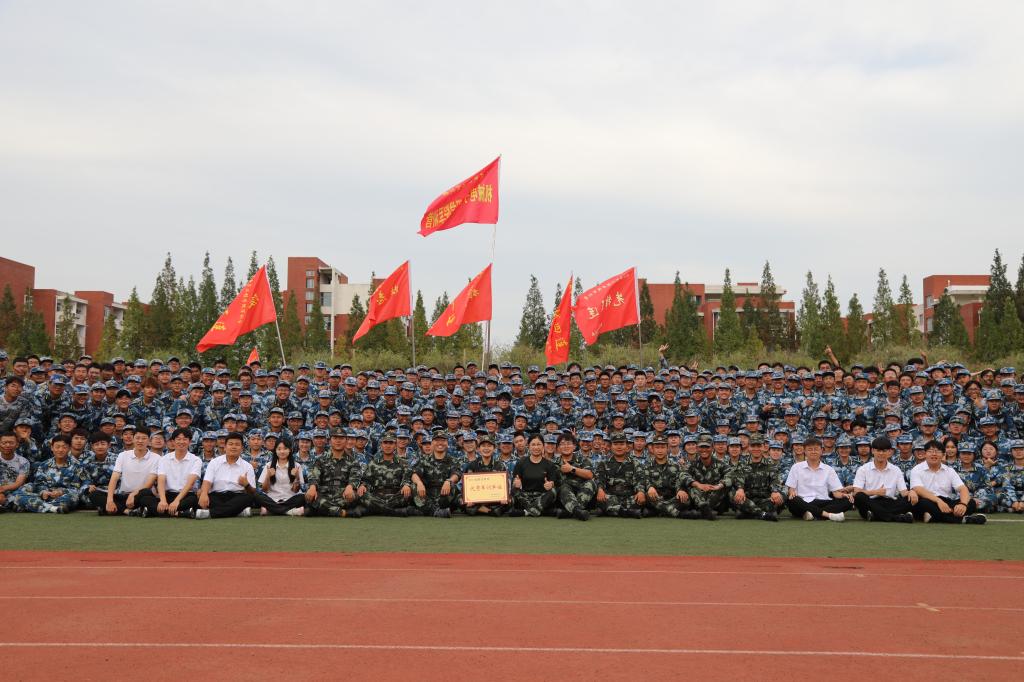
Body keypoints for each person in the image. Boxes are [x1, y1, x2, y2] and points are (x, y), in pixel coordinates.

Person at [909, 439, 986, 524]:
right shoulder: (916, 469)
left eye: (938, 452)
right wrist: (938, 501)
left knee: (971, 503)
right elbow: (918, 489)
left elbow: (963, 488)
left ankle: (933, 517)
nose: (934, 454)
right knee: (922, 503)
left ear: (943, 455)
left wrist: (963, 504)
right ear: (925, 453)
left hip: (946, 502)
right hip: (928, 500)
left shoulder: (949, 470)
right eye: (930, 451)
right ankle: (962, 519)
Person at [9, 433, 88, 513]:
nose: (60, 450)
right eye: (57, 447)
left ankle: (32, 505)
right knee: (19, 493)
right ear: (52, 448)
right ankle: (53, 508)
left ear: (69, 449)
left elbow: (75, 488)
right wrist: (43, 492)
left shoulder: (77, 466)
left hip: (63, 496)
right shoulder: (44, 465)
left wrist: (61, 492)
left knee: (73, 497)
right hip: (45, 496)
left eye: (64, 447)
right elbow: (39, 484)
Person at [133, 427, 202, 517]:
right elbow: (161, 480)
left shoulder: (196, 460)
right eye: (178, 439)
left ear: (190, 442)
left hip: (186, 495)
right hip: (168, 495)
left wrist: (176, 501)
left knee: (193, 500)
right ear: (173, 441)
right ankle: (180, 513)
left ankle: (155, 512)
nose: (181, 442)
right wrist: (163, 500)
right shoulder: (164, 459)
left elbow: (190, 483)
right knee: (144, 499)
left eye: (185, 439)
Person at [91, 429, 160, 515]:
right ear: (133, 439)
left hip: (141, 495)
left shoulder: (157, 458)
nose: (140, 441)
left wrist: (133, 494)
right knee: (94, 495)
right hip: (124, 495)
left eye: (144, 438)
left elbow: (149, 483)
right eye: (137, 438)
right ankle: (128, 511)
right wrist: (109, 500)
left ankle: (114, 510)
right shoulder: (123, 455)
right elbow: (114, 477)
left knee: (147, 496)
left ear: (149, 441)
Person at [784, 436, 852, 522]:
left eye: (816, 449)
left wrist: (843, 495)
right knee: (793, 499)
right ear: (804, 451)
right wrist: (792, 492)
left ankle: (811, 514)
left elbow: (835, 493)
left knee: (848, 500)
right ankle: (827, 515)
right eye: (810, 449)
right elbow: (791, 489)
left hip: (823, 501)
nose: (813, 452)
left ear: (821, 451)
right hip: (803, 502)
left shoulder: (829, 469)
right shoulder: (796, 467)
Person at [851, 437, 915, 523]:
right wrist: (875, 492)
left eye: (884, 451)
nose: (881, 453)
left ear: (890, 452)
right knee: (859, 497)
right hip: (871, 501)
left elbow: (903, 492)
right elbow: (856, 492)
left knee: (910, 498)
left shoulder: (896, 470)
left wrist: (912, 492)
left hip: (890, 502)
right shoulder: (863, 469)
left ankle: (876, 516)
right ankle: (895, 517)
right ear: (872, 451)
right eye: (878, 450)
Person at [305, 427, 365, 518]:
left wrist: (350, 487)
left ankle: (323, 510)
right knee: (310, 497)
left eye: (341, 438)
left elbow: (355, 477)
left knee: (359, 496)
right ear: (329, 441)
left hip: (343, 495)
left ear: (346, 441)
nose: (338, 441)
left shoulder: (353, 461)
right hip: (325, 494)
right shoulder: (320, 460)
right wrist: (312, 487)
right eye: (335, 438)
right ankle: (344, 513)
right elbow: (314, 476)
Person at [195, 432, 257, 519]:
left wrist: (246, 484)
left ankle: (209, 513)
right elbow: (207, 481)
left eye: (237, 444)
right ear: (225, 447)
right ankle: (237, 512)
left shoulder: (247, 466)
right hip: (216, 496)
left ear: (242, 448)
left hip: (237, 496)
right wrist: (204, 493)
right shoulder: (214, 462)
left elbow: (252, 491)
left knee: (249, 498)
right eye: (230, 444)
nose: (234, 447)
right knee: (201, 496)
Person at [356, 430, 414, 517]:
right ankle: (395, 512)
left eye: (391, 443)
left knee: (410, 491)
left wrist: (406, 485)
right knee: (361, 494)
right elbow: (366, 480)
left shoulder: (403, 463)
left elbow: (407, 478)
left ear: (395, 445)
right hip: (377, 496)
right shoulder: (373, 463)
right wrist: (363, 485)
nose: (388, 446)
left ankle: (375, 510)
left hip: (396, 497)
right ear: (381, 445)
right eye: (385, 443)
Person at [730, 434, 784, 521]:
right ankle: (762, 514)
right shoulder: (741, 464)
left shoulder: (771, 464)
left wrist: (775, 491)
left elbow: (776, 480)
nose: (756, 449)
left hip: (765, 499)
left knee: (782, 492)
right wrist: (740, 489)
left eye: (759, 446)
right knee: (732, 493)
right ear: (749, 447)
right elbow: (738, 479)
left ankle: (748, 512)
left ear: (764, 447)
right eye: (753, 446)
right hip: (746, 499)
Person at [409, 429, 461, 518]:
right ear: (432, 443)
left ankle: (427, 511)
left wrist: (449, 481)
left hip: (444, 497)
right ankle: (436, 512)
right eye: (437, 440)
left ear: (447, 443)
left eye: (443, 440)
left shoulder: (453, 460)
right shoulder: (424, 460)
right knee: (414, 485)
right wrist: (419, 483)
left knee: (452, 485)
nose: (440, 443)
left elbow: (457, 474)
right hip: (427, 497)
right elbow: (414, 474)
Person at [681, 435, 733, 520]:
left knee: (726, 486)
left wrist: (719, 486)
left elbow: (730, 475)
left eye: (707, 447)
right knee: (691, 486)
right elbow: (683, 475)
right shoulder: (692, 464)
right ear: (697, 449)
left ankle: (702, 512)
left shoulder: (721, 464)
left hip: (715, 497)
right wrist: (698, 484)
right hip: (698, 498)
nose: (704, 450)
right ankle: (704, 510)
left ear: (712, 448)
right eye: (701, 447)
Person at [594, 431, 645, 518]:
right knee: (601, 498)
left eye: (622, 444)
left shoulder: (635, 463)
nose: (619, 447)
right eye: (615, 444)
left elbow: (640, 479)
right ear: (611, 446)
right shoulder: (603, 463)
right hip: (610, 497)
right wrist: (600, 489)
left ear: (627, 446)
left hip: (629, 498)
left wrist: (640, 491)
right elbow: (599, 479)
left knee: (644, 497)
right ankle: (626, 512)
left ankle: (610, 510)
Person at [510, 433, 560, 517]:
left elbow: (552, 483)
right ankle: (542, 511)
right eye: (533, 444)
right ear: (528, 446)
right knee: (514, 490)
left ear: (543, 446)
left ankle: (526, 512)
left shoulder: (550, 465)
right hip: (525, 497)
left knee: (553, 491)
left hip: (542, 497)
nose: (536, 447)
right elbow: (514, 482)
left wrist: (550, 484)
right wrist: (516, 483)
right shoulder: (521, 463)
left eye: (539, 444)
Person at [642, 434, 689, 518]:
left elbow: (680, 480)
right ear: (652, 449)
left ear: (668, 449)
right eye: (657, 447)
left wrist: (680, 490)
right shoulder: (646, 466)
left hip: (672, 498)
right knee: (646, 496)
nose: (660, 450)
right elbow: (644, 480)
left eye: (663, 447)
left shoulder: (676, 465)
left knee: (685, 497)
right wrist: (650, 487)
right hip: (655, 498)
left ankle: (657, 511)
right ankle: (678, 513)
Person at [255, 439, 306, 516]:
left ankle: (272, 510)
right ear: (275, 451)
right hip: (272, 499)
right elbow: (264, 490)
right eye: (279, 449)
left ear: (290, 450)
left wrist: (297, 477)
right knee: (257, 495)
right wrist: (268, 476)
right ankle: (289, 511)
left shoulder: (297, 466)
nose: (282, 451)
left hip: (290, 499)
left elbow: (295, 490)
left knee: (303, 497)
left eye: (285, 448)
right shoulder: (269, 465)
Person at [553, 432, 595, 521]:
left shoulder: (583, 460)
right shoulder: (553, 463)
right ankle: (577, 511)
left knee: (591, 483)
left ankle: (571, 512)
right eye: (562, 444)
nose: (566, 446)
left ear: (574, 446)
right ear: (558, 448)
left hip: (581, 493)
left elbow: (590, 475)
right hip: (564, 497)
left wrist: (572, 469)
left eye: (568, 443)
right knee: (563, 487)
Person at [0, 429, 33, 511]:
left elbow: (18, 483)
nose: (7, 445)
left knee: (28, 487)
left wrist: (2, 489)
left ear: (17, 445)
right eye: (4, 443)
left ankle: (7, 503)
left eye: (11, 443)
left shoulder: (23, 461)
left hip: (14, 490)